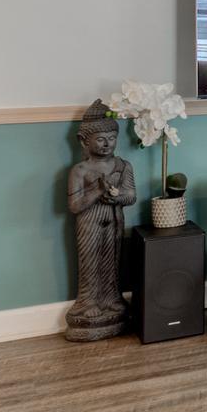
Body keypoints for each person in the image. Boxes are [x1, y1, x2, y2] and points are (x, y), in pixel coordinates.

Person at [66, 100, 136, 341]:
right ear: (84, 141)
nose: (107, 144)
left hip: (114, 220)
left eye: (112, 138)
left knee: (112, 261)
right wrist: (97, 190)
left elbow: (131, 196)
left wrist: (117, 197)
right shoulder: (80, 170)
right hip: (89, 223)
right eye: (100, 139)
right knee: (90, 261)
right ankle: (87, 303)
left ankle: (111, 299)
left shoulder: (123, 166)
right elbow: (74, 205)